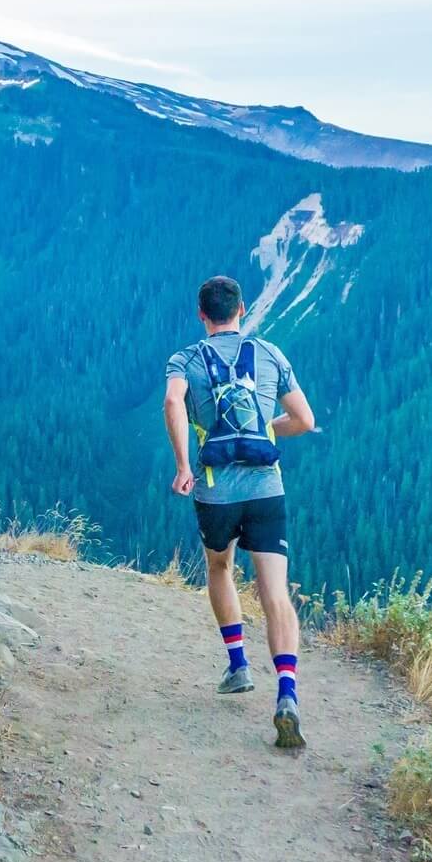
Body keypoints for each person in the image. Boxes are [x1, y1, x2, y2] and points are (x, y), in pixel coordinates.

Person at [163, 275, 317, 749]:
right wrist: (265, 430)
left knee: (220, 566)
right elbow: (305, 421)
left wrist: (185, 465)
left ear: (201, 314)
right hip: (266, 489)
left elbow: (172, 401)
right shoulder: (270, 355)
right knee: (275, 591)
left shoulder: (185, 359)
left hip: (216, 491)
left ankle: (238, 665)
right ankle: (287, 694)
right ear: (242, 310)